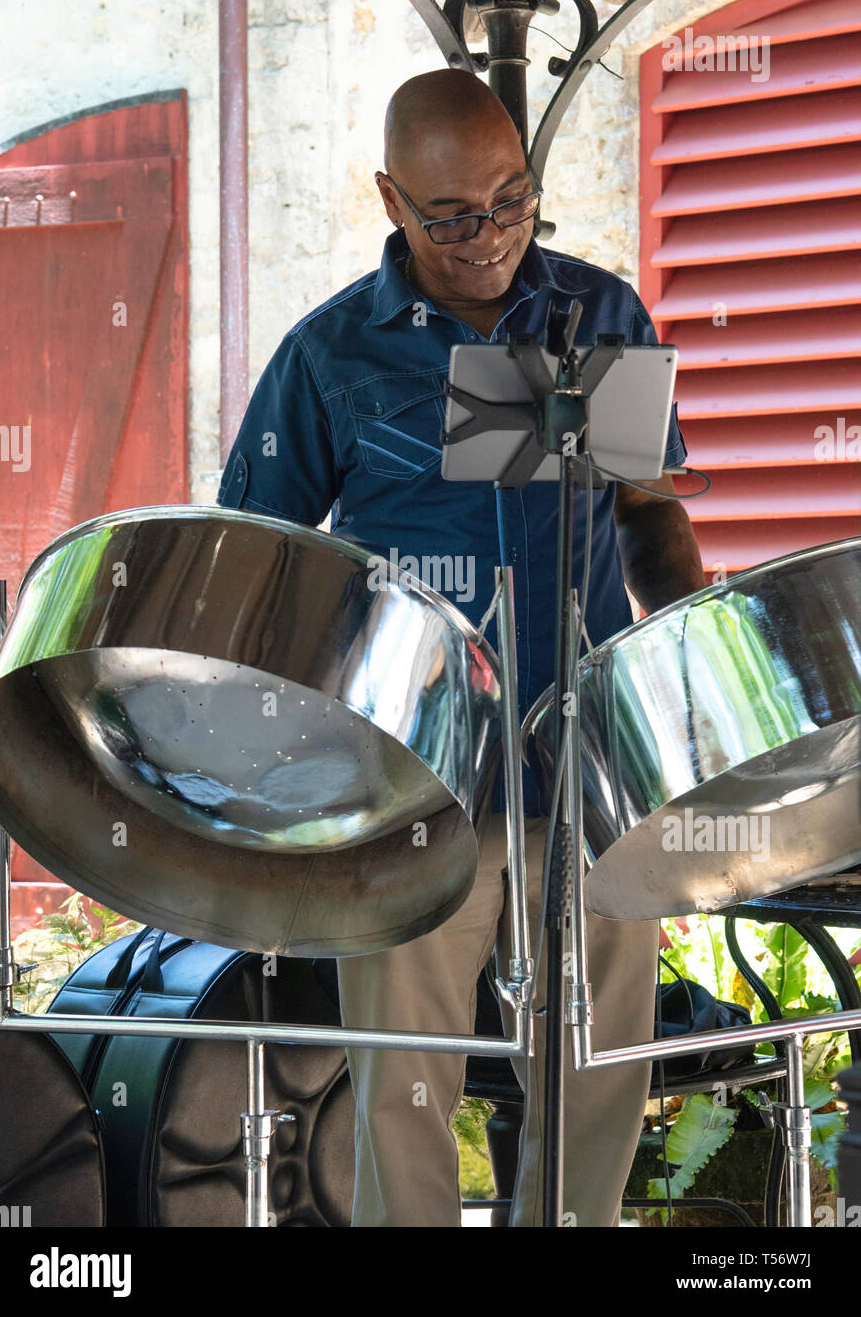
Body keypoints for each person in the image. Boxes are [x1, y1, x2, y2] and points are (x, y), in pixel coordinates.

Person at [218, 67, 706, 1227]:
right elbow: (257, 567)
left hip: (586, 767)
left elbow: (649, 515)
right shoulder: (329, 354)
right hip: (413, 780)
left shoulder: (598, 316)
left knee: (596, 1073)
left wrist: (686, 671)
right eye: (451, 214)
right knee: (407, 1081)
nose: (487, 236)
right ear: (390, 198)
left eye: (511, 200)